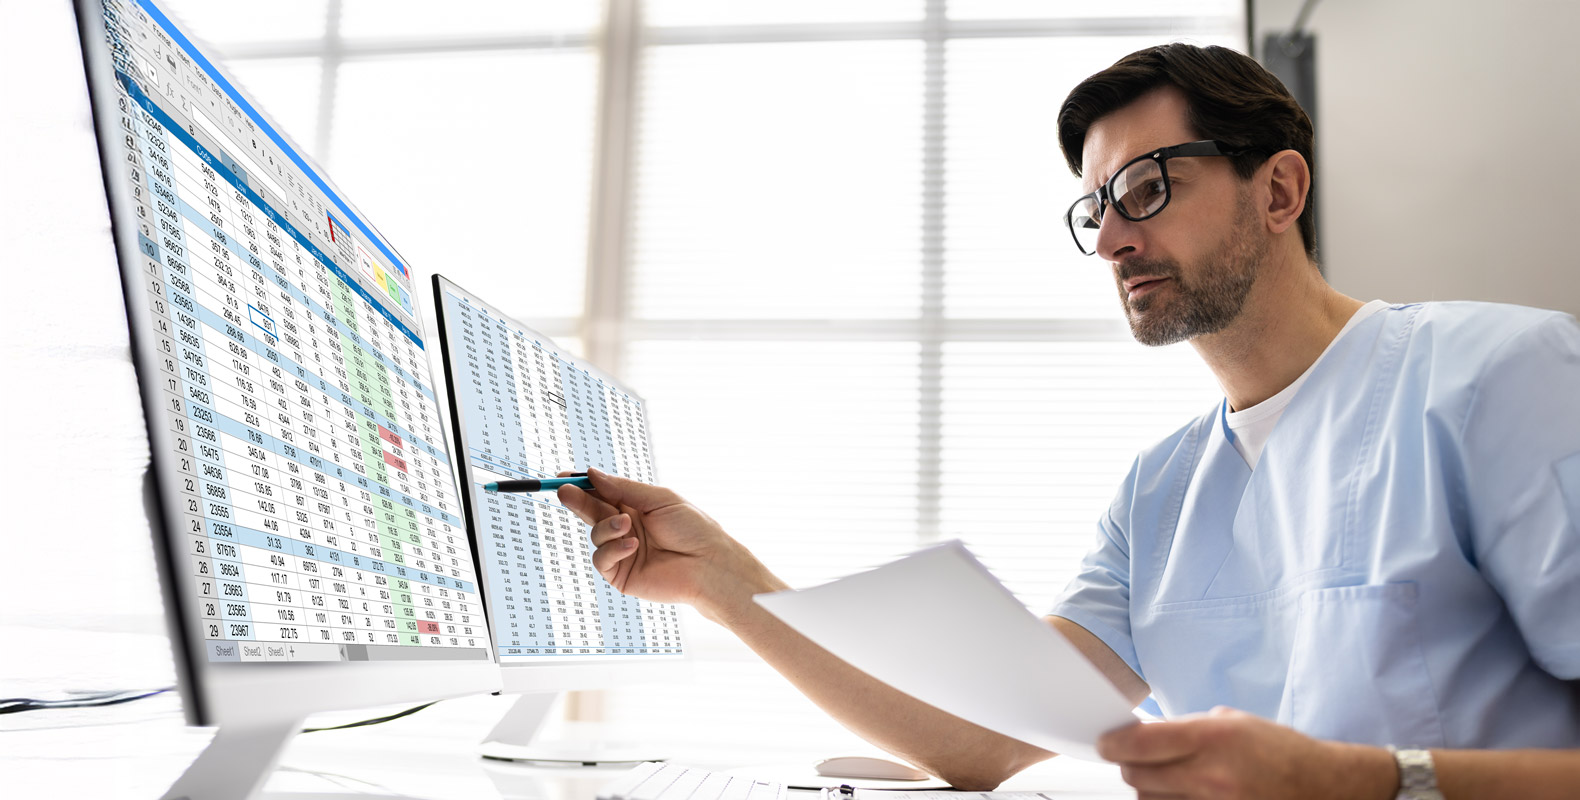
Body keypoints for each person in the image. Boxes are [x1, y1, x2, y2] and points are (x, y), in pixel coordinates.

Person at [558, 43, 1580, 798]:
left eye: (1145, 187)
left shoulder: (1496, 375)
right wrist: (725, 582)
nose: (1111, 241)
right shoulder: (1157, 493)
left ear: (1276, 189)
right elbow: (980, 741)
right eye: (1095, 208)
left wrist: (1361, 778)